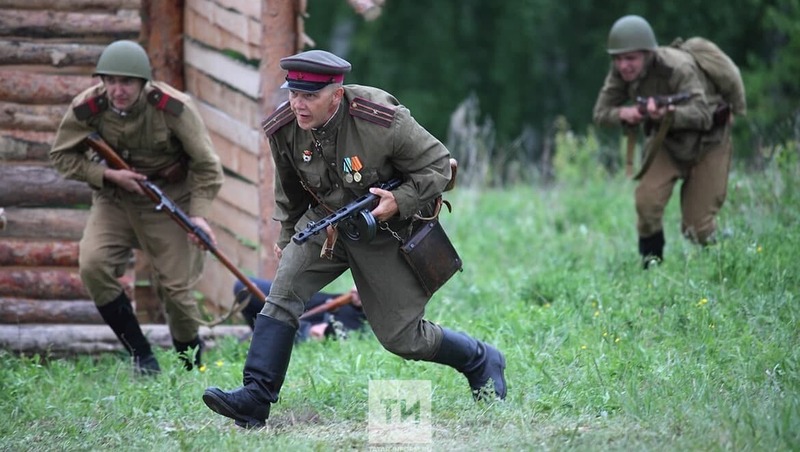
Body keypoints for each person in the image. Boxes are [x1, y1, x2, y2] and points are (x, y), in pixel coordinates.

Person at [203, 49, 507, 429]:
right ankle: (255, 398)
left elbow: (439, 166)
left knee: (403, 338)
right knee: (282, 294)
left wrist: (399, 200)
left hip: (385, 230)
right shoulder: (284, 127)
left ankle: (479, 359)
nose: (298, 104)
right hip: (325, 224)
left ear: (336, 92)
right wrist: (287, 234)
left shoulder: (380, 118)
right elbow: (290, 190)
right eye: (293, 93)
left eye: (309, 96)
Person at [49, 40, 224, 374]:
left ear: (143, 83)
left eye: (126, 82)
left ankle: (192, 369)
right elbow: (61, 156)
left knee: (176, 290)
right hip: (114, 196)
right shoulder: (88, 107)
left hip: (167, 196)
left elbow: (207, 165)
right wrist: (107, 174)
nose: (117, 90)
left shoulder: (174, 108)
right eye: (110, 81)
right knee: (93, 265)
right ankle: (142, 357)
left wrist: (198, 216)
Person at [593, 15, 736, 268]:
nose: (623, 65)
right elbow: (601, 113)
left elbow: (703, 115)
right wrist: (625, 113)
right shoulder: (620, 74)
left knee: (697, 227)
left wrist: (667, 114)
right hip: (667, 144)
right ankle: (652, 266)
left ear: (648, 53)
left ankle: (730, 255)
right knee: (646, 206)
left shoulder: (679, 67)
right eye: (617, 58)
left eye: (630, 58)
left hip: (709, 143)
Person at [233, 278, 367, 342]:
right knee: (245, 288)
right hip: (343, 305)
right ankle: (266, 335)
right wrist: (364, 284)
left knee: (315, 333)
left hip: (361, 323)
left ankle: (290, 334)